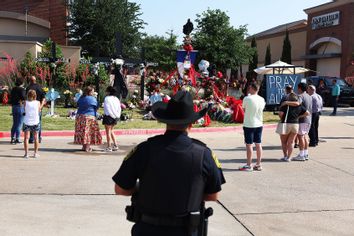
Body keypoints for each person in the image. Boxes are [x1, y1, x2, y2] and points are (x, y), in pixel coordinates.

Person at [112, 91, 225, 236]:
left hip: (147, 230)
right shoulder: (203, 154)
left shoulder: (144, 149)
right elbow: (213, 195)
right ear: (191, 124)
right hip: (186, 230)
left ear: (165, 121)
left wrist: (143, 189)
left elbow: (120, 189)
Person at [282, 82, 312, 161]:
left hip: (302, 119)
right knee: (305, 136)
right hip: (308, 119)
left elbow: (297, 103)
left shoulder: (300, 96)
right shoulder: (309, 96)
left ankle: (301, 154)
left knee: (301, 137)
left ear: (299, 88)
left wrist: (286, 102)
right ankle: (305, 153)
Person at [239, 83, 266, 171]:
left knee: (249, 145)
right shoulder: (262, 99)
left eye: (250, 88)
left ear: (252, 88)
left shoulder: (247, 98)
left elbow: (244, 109)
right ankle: (258, 164)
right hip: (259, 123)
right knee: (258, 144)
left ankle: (249, 164)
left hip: (249, 124)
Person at [277, 93, 309, 162]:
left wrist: (281, 118)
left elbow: (280, 114)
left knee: (284, 142)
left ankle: (285, 156)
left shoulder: (285, 105)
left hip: (286, 124)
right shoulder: (299, 106)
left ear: (289, 99)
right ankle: (289, 157)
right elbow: (307, 113)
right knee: (291, 142)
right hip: (295, 124)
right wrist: (298, 116)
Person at [74, 86, 102, 152]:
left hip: (80, 117)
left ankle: (84, 146)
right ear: (89, 92)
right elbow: (96, 107)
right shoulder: (92, 99)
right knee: (89, 132)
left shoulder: (81, 98)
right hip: (89, 117)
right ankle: (87, 147)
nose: (93, 92)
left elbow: (78, 105)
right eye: (92, 91)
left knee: (83, 132)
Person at [26, 76, 46, 143]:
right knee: (38, 123)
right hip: (38, 107)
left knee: (30, 122)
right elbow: (43, 98)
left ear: (30, 81)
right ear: (35, 80)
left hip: (30, 108)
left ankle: (31, 139)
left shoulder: (28, 88)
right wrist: (41, 106)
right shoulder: (40, 87)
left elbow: (26, 98)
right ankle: (38, 138)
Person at [23, 90, 42, 159]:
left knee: (26, 138)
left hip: (27, 121)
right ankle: (35, 153)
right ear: (35, 95)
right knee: (36, 138)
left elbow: (24, 110)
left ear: (28, 95)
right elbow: (39, 110)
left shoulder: (25, 102)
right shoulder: (38, 102)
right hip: (35, 121)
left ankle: (26, 154)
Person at [103, 86, 121, 152]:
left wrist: (111, 115)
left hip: (109, 116)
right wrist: (117, 116)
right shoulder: (116, 98)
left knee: (108, 132)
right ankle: (115, 145)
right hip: (115, 117)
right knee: (111, 131)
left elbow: (107, 108)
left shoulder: (107, 98)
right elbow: (119, 108)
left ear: (108, 92)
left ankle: (109, 146)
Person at [10, 78, 26, 144]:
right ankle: (17, 139)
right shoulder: (22, 89)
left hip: (14, 106)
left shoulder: (13, 89)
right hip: (20, 106)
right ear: (22, 83)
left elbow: (11, 97)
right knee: (19, 123)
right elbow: (23, 97)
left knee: (15, 123)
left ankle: (12, 138)